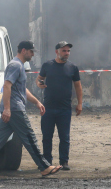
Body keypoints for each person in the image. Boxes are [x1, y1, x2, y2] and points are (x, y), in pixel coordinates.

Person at [0, 40, 61, 178]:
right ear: (24, 51)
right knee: (29, 137)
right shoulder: (15, 65)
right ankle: (44, 167)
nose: (33, 55)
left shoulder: (19, 65)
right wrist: (8, 109)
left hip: (12, 109)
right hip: (15, 109)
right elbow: (7, 86)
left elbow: (22, 89)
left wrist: (37, 102)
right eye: (31, 51)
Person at [36, 41, 83, 169]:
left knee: (64, 137)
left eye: (68, 51)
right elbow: (39, 79)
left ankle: (64, 161)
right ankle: (47, 162)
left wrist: (79, 103)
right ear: (57, 51)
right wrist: (39, 83)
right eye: (64, 50)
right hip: (48, 107)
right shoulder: (47, 65)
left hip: (65, 108)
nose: (67, 53)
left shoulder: (73, 67)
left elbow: (78, 86)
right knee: (47, 136)